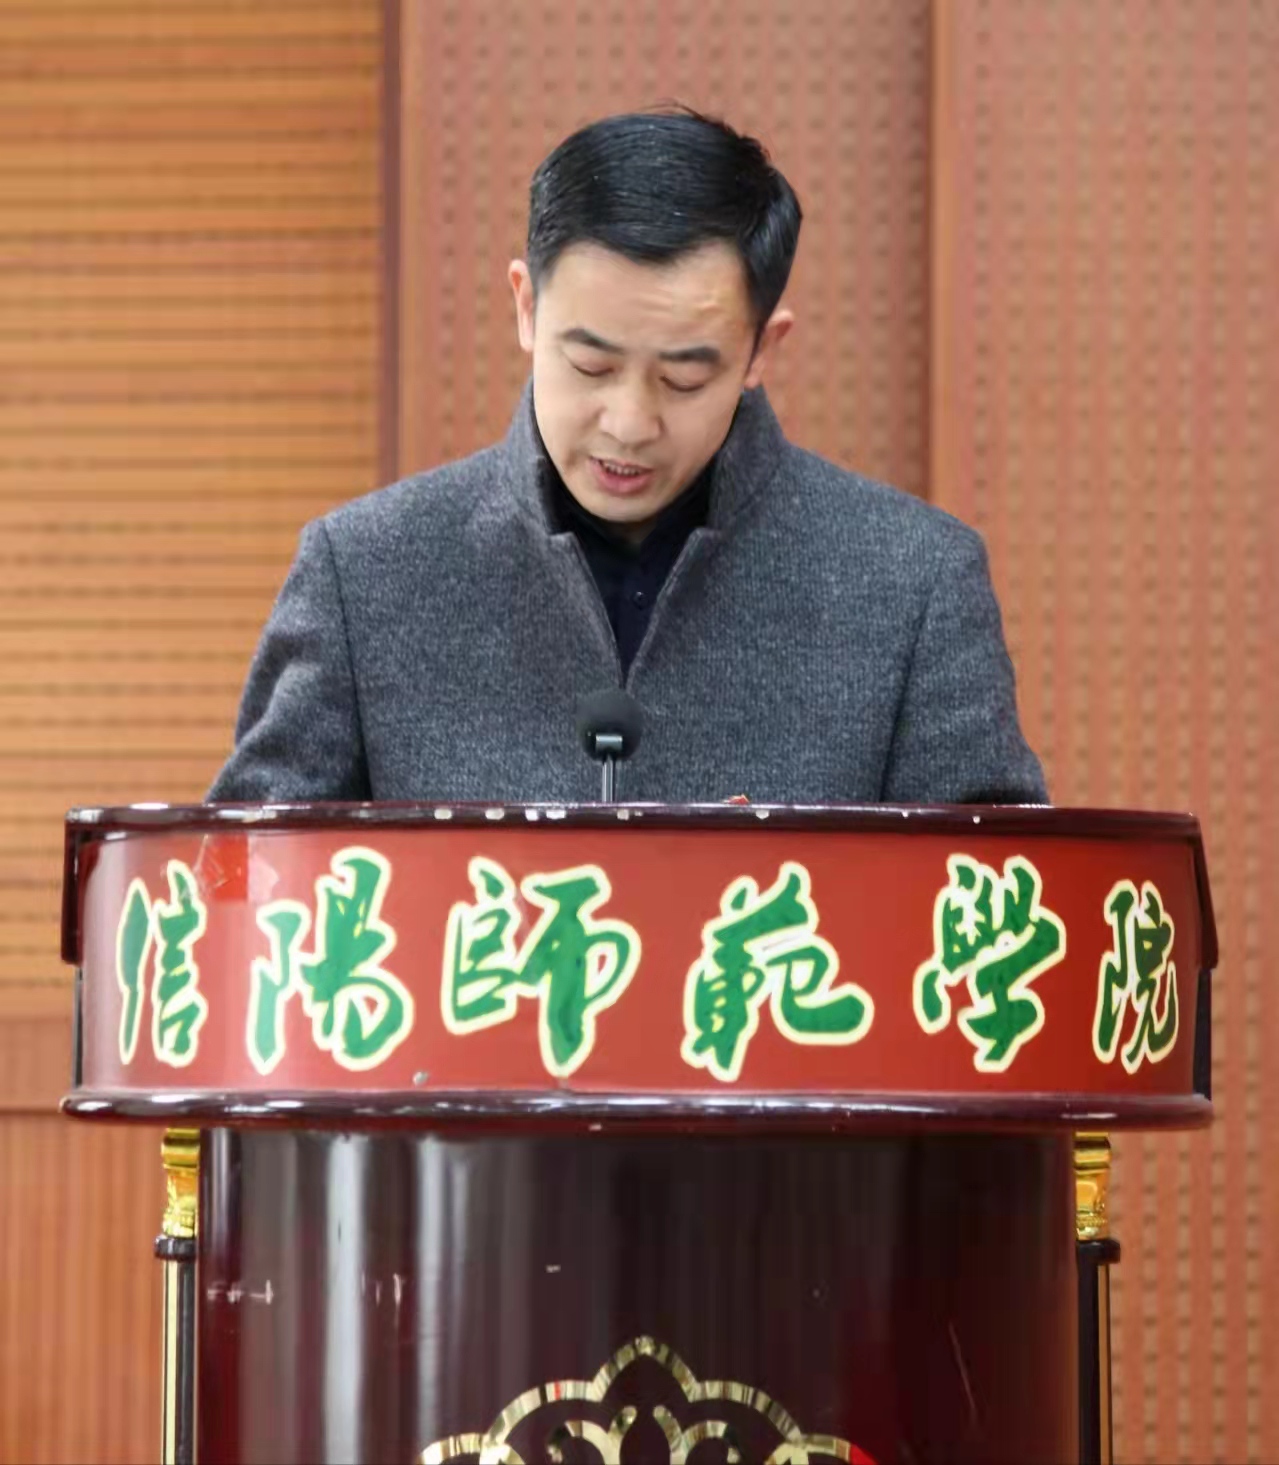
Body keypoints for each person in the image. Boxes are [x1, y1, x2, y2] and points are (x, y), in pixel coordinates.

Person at [208, 108, 1046, 806]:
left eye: (684, 378)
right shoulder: (364, 572)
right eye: (590, 365)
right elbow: (249, 893)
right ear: (525, 307)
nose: (629, 423)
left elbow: (998, 912)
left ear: (761, 349)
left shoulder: (912, 584)